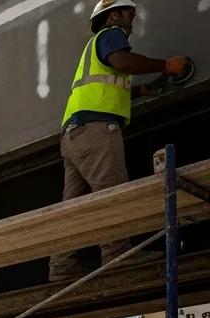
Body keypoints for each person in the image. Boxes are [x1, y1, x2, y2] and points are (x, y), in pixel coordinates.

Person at [49, 1, 190, 280]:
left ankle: (61, 266)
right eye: (129, 13)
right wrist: (166, 65)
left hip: (73, 135)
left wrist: (146, 89)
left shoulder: (95, 49)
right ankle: (117, 254)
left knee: (72, 208)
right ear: (113, 15)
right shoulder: (111, 34)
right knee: (112, 191)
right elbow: (124, 63)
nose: (133, 18)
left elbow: (113, 83)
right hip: (96, 129)